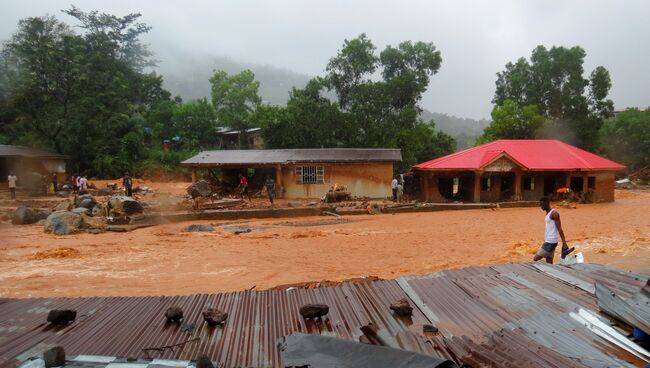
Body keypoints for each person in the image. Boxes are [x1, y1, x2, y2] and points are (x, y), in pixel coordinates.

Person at [533, 197, 569, 264]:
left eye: (542, 205)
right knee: (549, 262)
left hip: (550, 242)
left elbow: (559, 228)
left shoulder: (554, 213)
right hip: (550, 241)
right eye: (540, 205)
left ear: (547, 203)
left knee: (535, 259)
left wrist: (564, 243)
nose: (541, 207)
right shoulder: (548, 213)